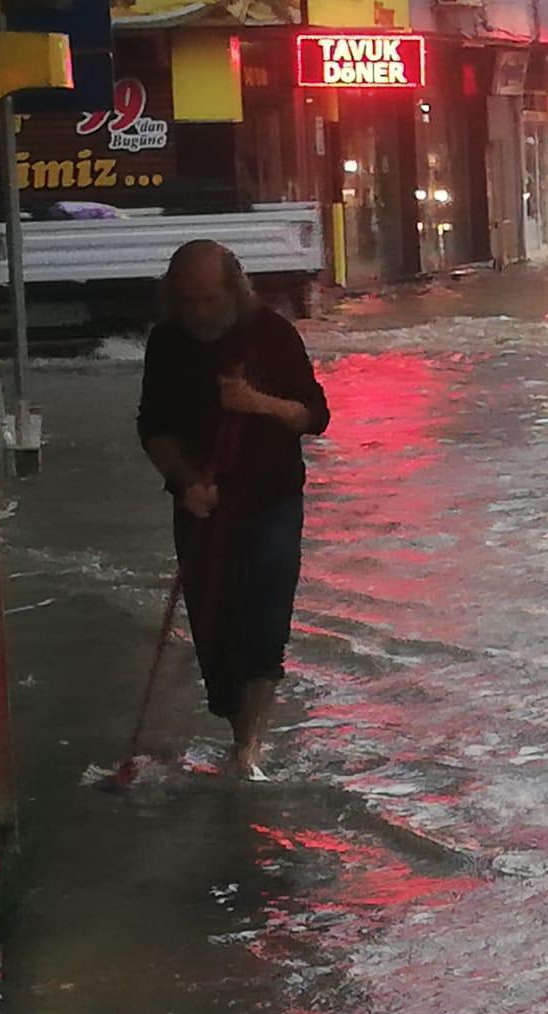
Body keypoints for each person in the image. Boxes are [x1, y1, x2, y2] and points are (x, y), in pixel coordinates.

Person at [137, 240, 330, 779]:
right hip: (201, 505)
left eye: (209, 299)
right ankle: (236, 729)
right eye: (188, 301)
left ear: (234, 289)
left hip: (271, 500)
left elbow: (315, 416)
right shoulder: (167, 343)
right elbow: (153, 428)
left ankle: (250, 750)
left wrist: (255, 403)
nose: (199, 312)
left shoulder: (272, 334)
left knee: (265, 622)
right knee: (215, 630)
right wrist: (184, 480)